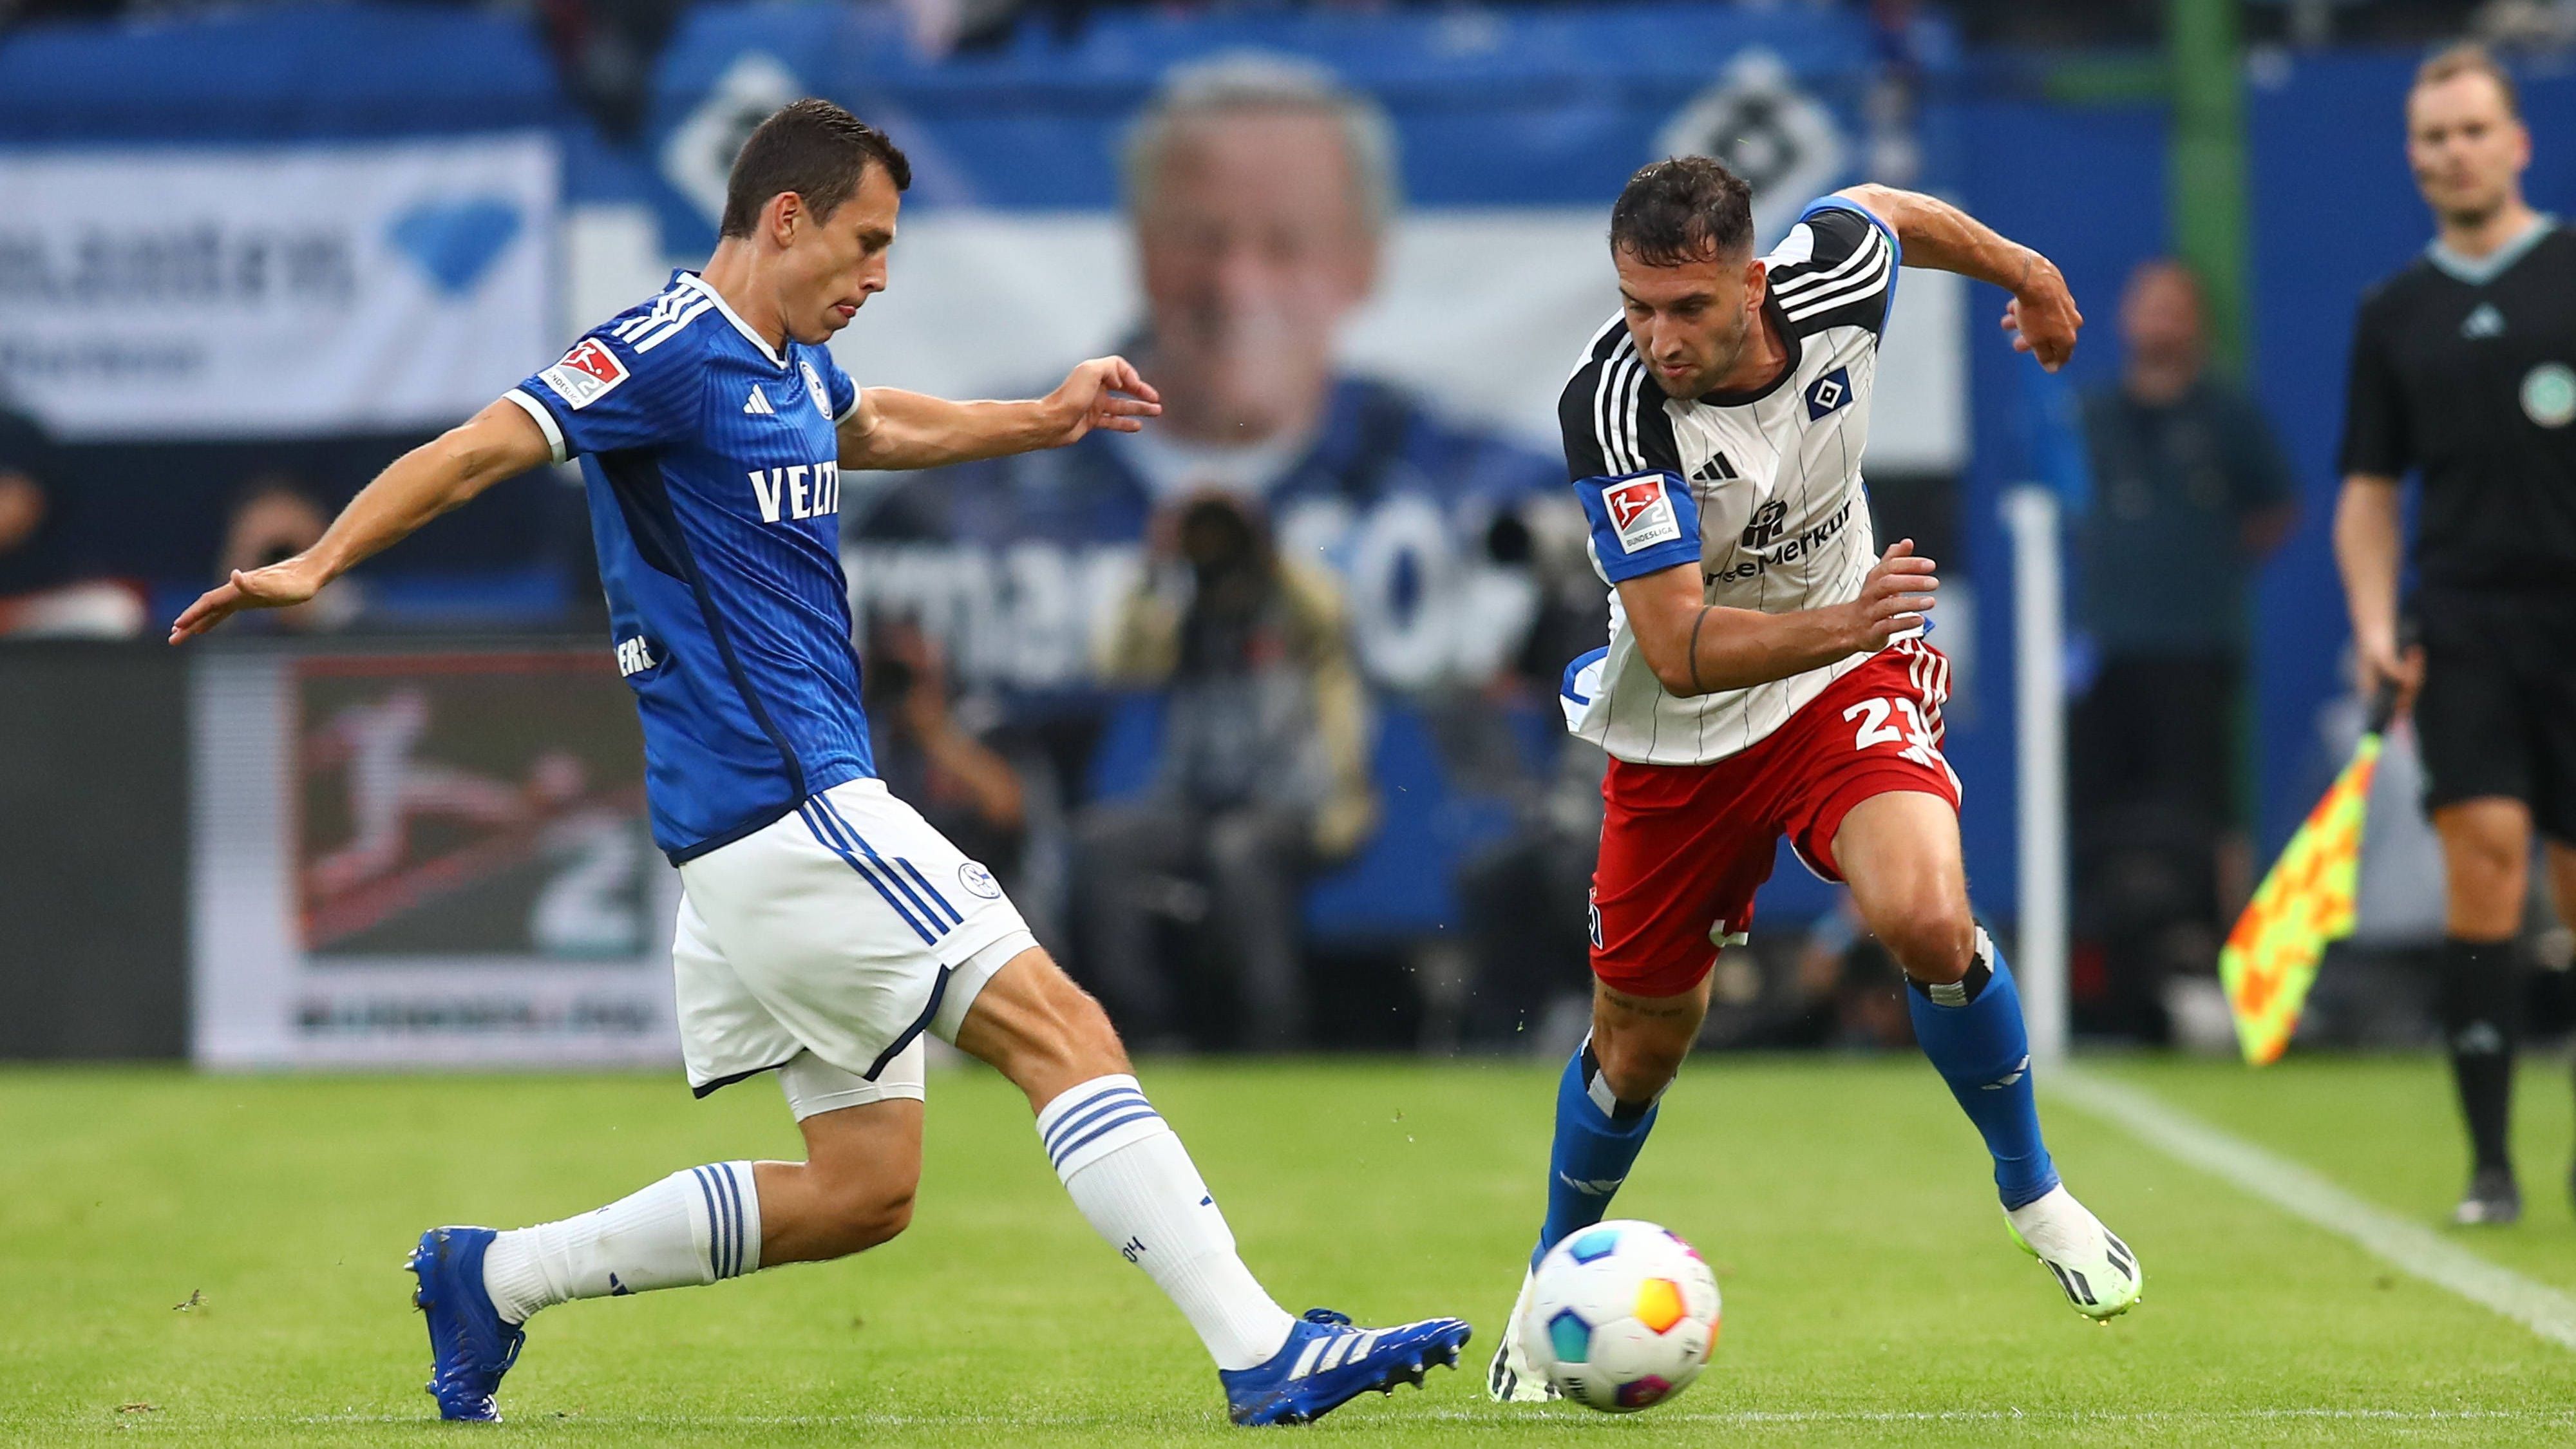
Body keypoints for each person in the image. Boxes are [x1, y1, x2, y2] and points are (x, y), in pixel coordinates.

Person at [169, 98, 1467, 1426]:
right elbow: (480, 447)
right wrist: (320, 562)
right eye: (864, 242)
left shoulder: (784, 359)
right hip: (792, 808)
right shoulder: (664, 351)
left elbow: (874, 427)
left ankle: (491, 1279)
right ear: (783, 217)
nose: (878, 275)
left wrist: (1042, 416)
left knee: (862, 1193)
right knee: (1061, 1028)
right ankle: (1259, 1349)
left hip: (762, 833)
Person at [1488, 156, 2141, 1405]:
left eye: (1685, 308)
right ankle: (1540, 1285)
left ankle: (2031, 1189)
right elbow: (1678, 652)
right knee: (1637, 1048)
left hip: (1835, 683)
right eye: (1635, 305)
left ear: (1752, 278)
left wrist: (2026, 272)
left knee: (1922, 915)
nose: (1656, 338)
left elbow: (1886, 208)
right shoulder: (1614, 407)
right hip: (1682, 719)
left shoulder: (1831, 274)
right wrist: (1850, 621)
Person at [2333, 43, 2576, 1227]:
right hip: (2466, 624)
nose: (2454, 153)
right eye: (2433, 137)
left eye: (2474, 130)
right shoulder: (2396, 313)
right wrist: (2379, 624)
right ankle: (2491, 1166)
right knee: (2484, 861)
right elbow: (2370, 493)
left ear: (2518, 142)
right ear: (2414, 157)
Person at [2070, 259, 2297, 1039]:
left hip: (2194, 647)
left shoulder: (2227, 418)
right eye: (2147, 307)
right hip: (2105, 649)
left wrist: (2197, 569)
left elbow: (2273, 510)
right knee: (2095, 811)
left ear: (2197, 322)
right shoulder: (2093, 416)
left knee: (2205, 813)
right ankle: (2099, 977)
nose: (2159, 323)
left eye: (2174, 309)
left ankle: (2222, 973)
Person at [1075, 491, 1376, 1049]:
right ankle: (1144, 1025)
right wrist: (1154, 567)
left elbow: (1333, 615)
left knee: (1238, 850)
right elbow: (1116, 663)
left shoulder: (1294, 613)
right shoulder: (1185, 617)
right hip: (1195, 803)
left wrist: (1265, 548)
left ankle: (1272, 1032)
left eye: (1224, 541)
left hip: (1293, 807)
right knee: (1104, 842)